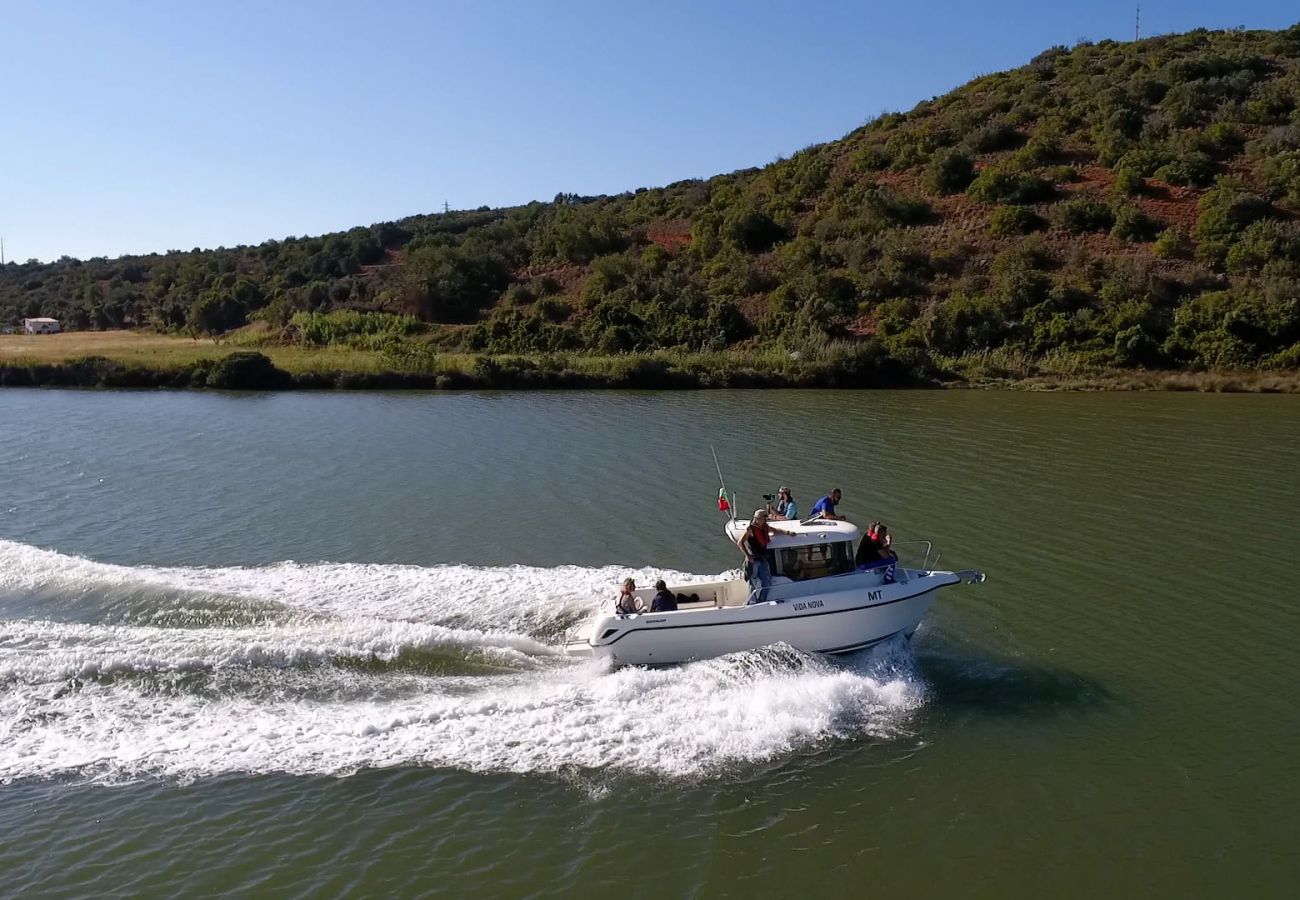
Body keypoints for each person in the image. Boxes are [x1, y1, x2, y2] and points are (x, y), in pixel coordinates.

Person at [738, 508, 796, 603]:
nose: (765, 520)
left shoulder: (764, 526)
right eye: (763, 518)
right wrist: (748, 555)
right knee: (753, 582)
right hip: (754, 560)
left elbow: (775, 530)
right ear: (757, 519)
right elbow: (740, 542)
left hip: (763, 558)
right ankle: (751, 602)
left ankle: (761, 601)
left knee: (766, 581)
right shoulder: (750, 529)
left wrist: (787, 532)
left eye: (765, 518)